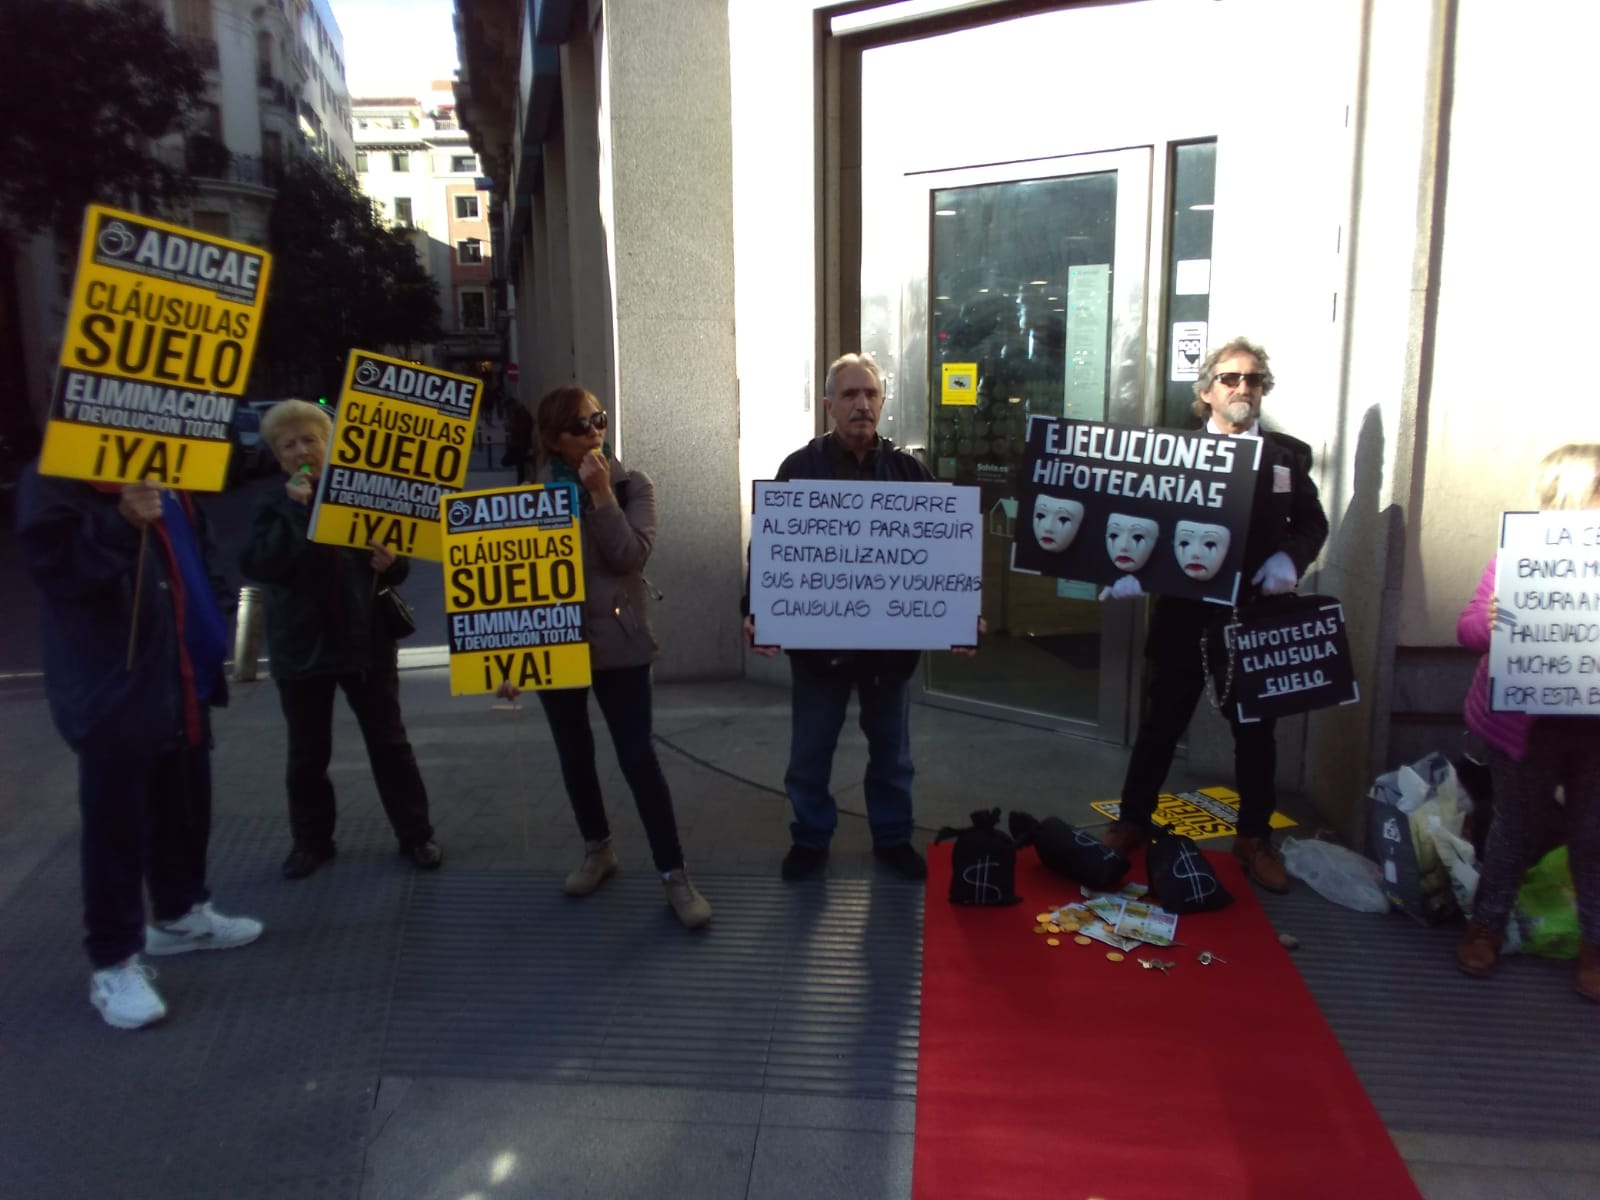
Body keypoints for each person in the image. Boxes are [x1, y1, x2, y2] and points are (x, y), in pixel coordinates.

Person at [16, 468, 263, 1030]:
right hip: (115, 684)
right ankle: (112, 960)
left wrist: (216, 607)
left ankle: (178, 914)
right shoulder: (58, 473)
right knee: (116, 827)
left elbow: (193, 551)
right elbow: (56, 569)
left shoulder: (175, 469)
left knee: (183, 801)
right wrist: (120, 522)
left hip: (179, 672)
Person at [1099, 338, 1329, 892]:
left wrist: (1289, 558)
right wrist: (1134, 569)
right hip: (1184, 611)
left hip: (1253, 613)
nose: (1242, 388)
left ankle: (1254, 837)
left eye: (1252, 379)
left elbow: (1311, 524)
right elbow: (1141, 516)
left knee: (1255, 730)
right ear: (1206, 392)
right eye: (1229, 379)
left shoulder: (1285, 457)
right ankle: (1133, 820)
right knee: (1162, 722)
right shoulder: (1171, 453)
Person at [744, 352, 979, 883]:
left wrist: (964, 615)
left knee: (893, 755)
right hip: (818, 646)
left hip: (888, 651)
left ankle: (893, 838)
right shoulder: (799, 469)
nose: (861, 404)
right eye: (849, 395)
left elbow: (943, 554)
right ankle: (810, 838)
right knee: (810, 752)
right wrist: (756, 610)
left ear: (882, 402)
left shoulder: (909, 472)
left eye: (870, 394)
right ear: (828, 404)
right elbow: (769, 549)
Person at [497, 385, 712, 930]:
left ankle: (674, 875)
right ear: (553, 439)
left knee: (638, 759)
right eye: (579, 425)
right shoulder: (532, 496)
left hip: (621, 643)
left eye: (599, 418)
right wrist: (511, 662)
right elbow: (517, 589)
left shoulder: (632, 484)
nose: (594, 429)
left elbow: (630, 555)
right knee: (575, 754)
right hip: (557, 644)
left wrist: (601, 499)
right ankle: (599, 849)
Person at [240, 400, 442, 879]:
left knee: (390, 745)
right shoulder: (272, 503)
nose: (300, 450)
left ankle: (416, 835)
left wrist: (389, 563)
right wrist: (294, 511)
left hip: (364, 641)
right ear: (276, 455)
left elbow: (400, 563)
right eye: (288, 444)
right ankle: (311, 842)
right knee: (308, 753)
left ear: (329, 444)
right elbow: (262, 565)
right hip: (301, 648)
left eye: (309, 439)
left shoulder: (360, 494)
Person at [1456, 443, 1600, 1001]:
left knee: (1593, 836)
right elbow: (1467, 632)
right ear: (1566, 499)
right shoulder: (1520, 557)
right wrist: (1491, 623)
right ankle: (1486, 925)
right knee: (1515, 828)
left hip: (1593, 728)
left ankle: (1594, 945)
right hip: (1526, 726)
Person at [506, 400, 534, 484]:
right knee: (522, 466)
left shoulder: (520, 415)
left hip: (521, 446)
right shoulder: (521, 414)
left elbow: (522, 431)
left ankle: (521, 482)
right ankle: (521, 481)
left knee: (522, 467)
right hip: (521, 445)